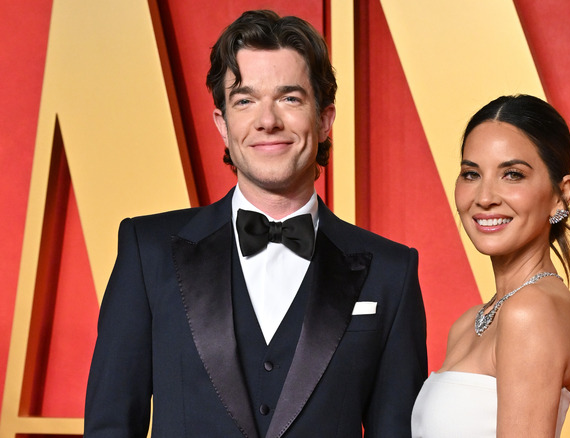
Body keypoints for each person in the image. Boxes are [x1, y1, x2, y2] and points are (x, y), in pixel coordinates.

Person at [85, 10, 427, 438]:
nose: (267, 121)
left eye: (289, 98)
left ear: (324, 120)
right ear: (222, 125)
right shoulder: (147, 250)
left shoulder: (390, 271)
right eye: (245, 100)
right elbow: (110, 427)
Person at [411, 94, 570, 437]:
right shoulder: (468, 324)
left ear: (560, 194)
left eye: (512, 174)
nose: (485, 197)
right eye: (471, 174)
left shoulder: (531, 311)